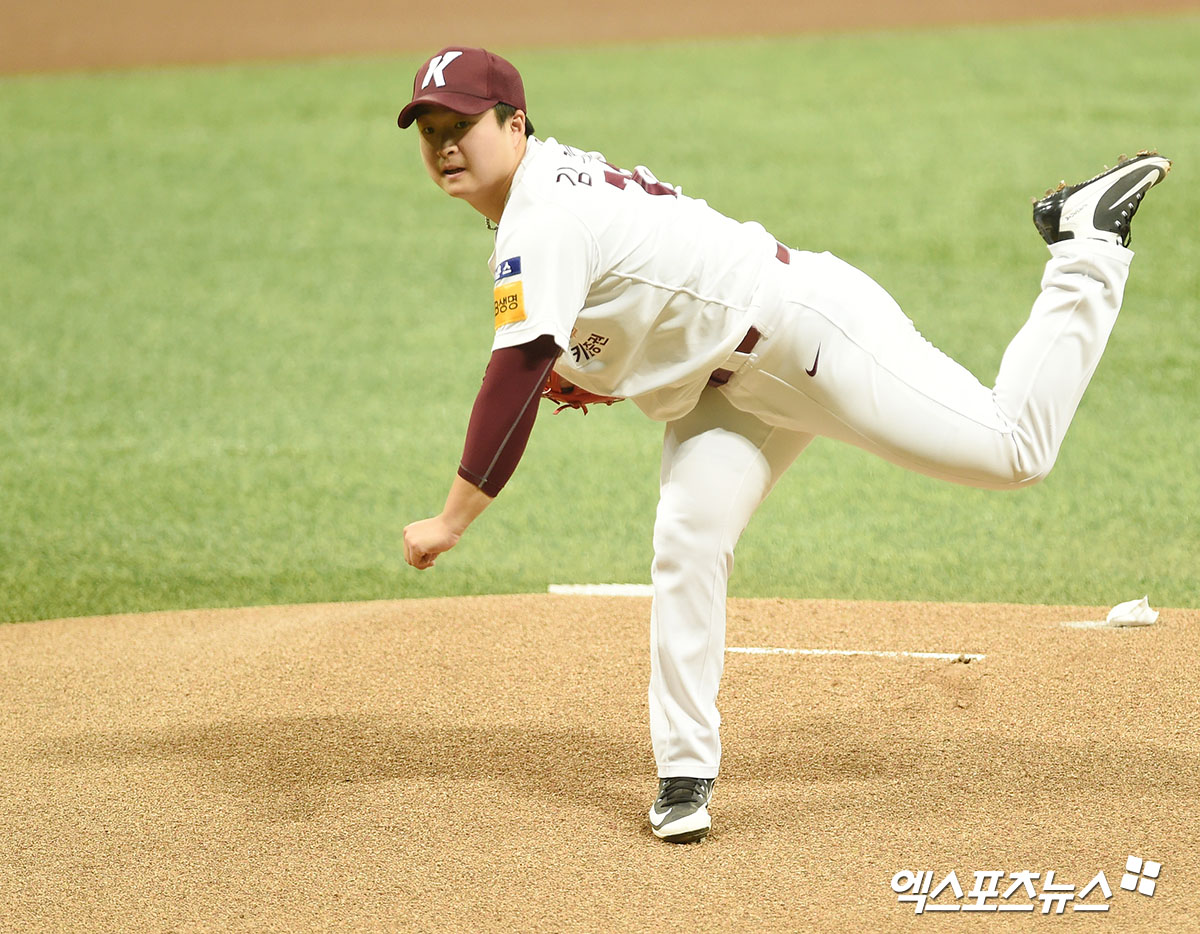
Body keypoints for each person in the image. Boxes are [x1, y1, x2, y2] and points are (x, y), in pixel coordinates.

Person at [397, 46, 1170, 843]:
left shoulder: (543, 219)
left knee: (1016, 452)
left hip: (809, 335)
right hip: (729, 386)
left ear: (515, 126)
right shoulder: (546, 193)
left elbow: (518, 370)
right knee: (687, 539)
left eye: (462, 125)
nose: (445, 145)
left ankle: (1085, 248)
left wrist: (452, 519)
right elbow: (631, 298)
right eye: (430, 131)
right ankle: (684, 774)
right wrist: (598, 365)